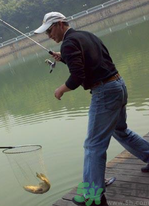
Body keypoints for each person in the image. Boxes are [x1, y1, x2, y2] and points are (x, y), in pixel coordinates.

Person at [34, 12, 149, 205]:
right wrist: (64, 58)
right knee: (121, 131)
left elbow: (77, 77)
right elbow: (92, 60)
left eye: (50, 30)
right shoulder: (85, 35)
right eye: (46, 33)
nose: (49, 35)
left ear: (61, 24)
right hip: (118, 85)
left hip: (104, 92)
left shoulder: (69, 44)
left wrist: (60, 90)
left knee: (93, 145)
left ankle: (93, 195)